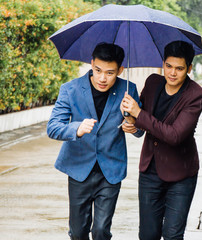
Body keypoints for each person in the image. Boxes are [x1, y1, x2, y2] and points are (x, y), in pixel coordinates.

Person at [47, 42, 141, 240]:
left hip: (110, 170)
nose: (102, 78)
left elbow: (140, 130)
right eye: (98, 70)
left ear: (120, 70)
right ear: (91, 64)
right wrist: (76, 128)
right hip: (79, 169)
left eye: (110, 72)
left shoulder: (128, 89)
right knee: (78, 231)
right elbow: (53, 128)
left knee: (100, 231)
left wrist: (133, 122)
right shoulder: (70, 89)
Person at [120, 40, 202, 240]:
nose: (172, 73)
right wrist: (130, 121)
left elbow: (174, 135)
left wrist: (139, 114)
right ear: (162, 64)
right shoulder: (152, 83)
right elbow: (142, 125)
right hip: (150, 172)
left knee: (173, 235)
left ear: (189, 68)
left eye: (179, 68)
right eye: (168, 66)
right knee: (148, 235)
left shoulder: (196, 95)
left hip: (181, 174)